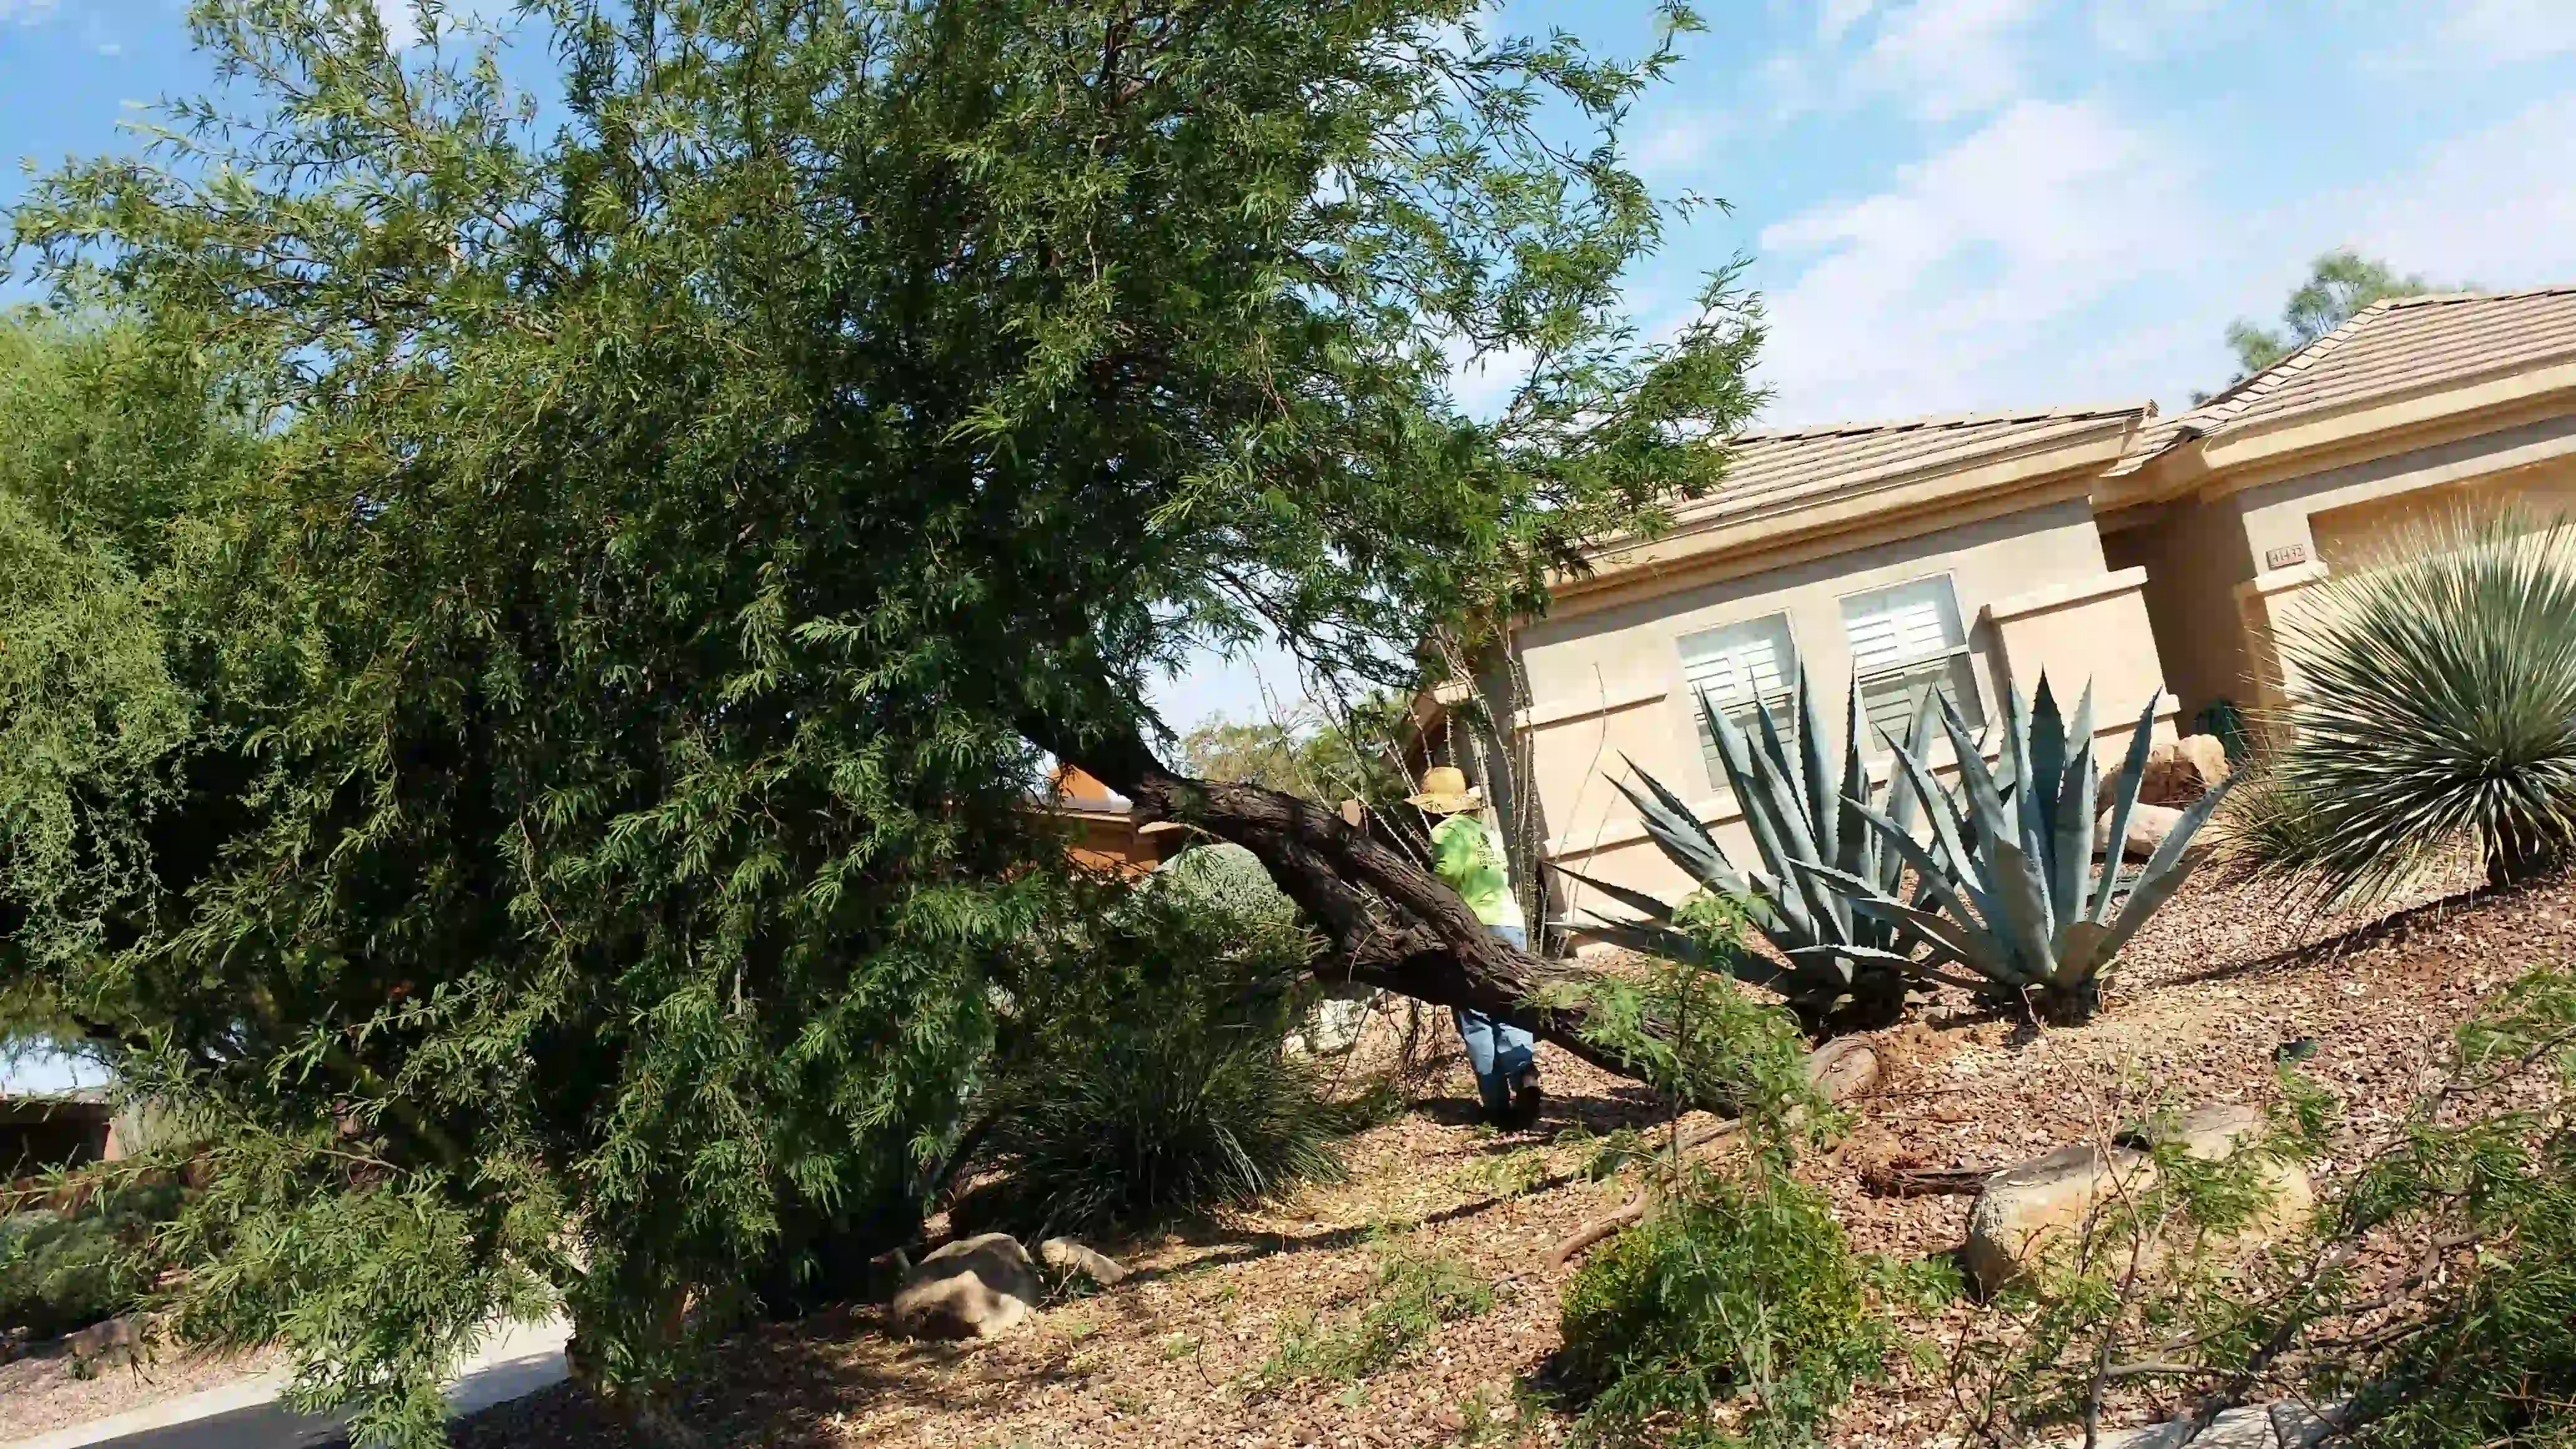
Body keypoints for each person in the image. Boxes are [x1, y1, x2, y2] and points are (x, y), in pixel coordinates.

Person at [1407, 766, 1543, 1129]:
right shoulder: (1486, 833)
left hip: (1474, 927)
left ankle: (1496, 1105)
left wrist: (1426, 888)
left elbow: (1448, 874)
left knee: (1476, 1014)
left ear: (1434, 805)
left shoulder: (1444, 832)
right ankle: (1524, 1072)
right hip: (1510, 921)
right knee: (1514, 1002)